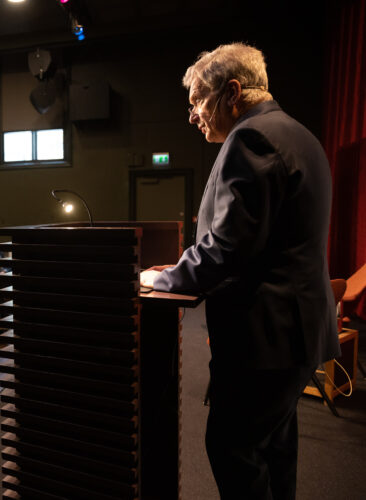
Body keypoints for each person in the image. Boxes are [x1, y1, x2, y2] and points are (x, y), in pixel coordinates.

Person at [140, 43, 340, 500]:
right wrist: (184, 264)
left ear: (232, 91)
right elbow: (259, 242)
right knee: (275, 448)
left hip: (267, 338)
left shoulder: (252, 139)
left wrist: (163, 278)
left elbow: (226, 250)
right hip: (295, 333)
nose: (192, 116)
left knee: (232, 449)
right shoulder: (297, 134)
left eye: (197, 101)